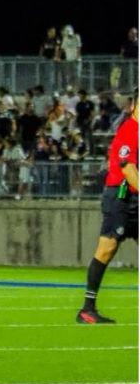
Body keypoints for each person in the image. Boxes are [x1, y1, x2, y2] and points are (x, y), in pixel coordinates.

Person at [77, 97, 137, 324]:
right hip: (121, 199)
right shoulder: (130, 130)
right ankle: (87, 308)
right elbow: (128, 168)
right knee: (106, 249)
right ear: (133, 106)